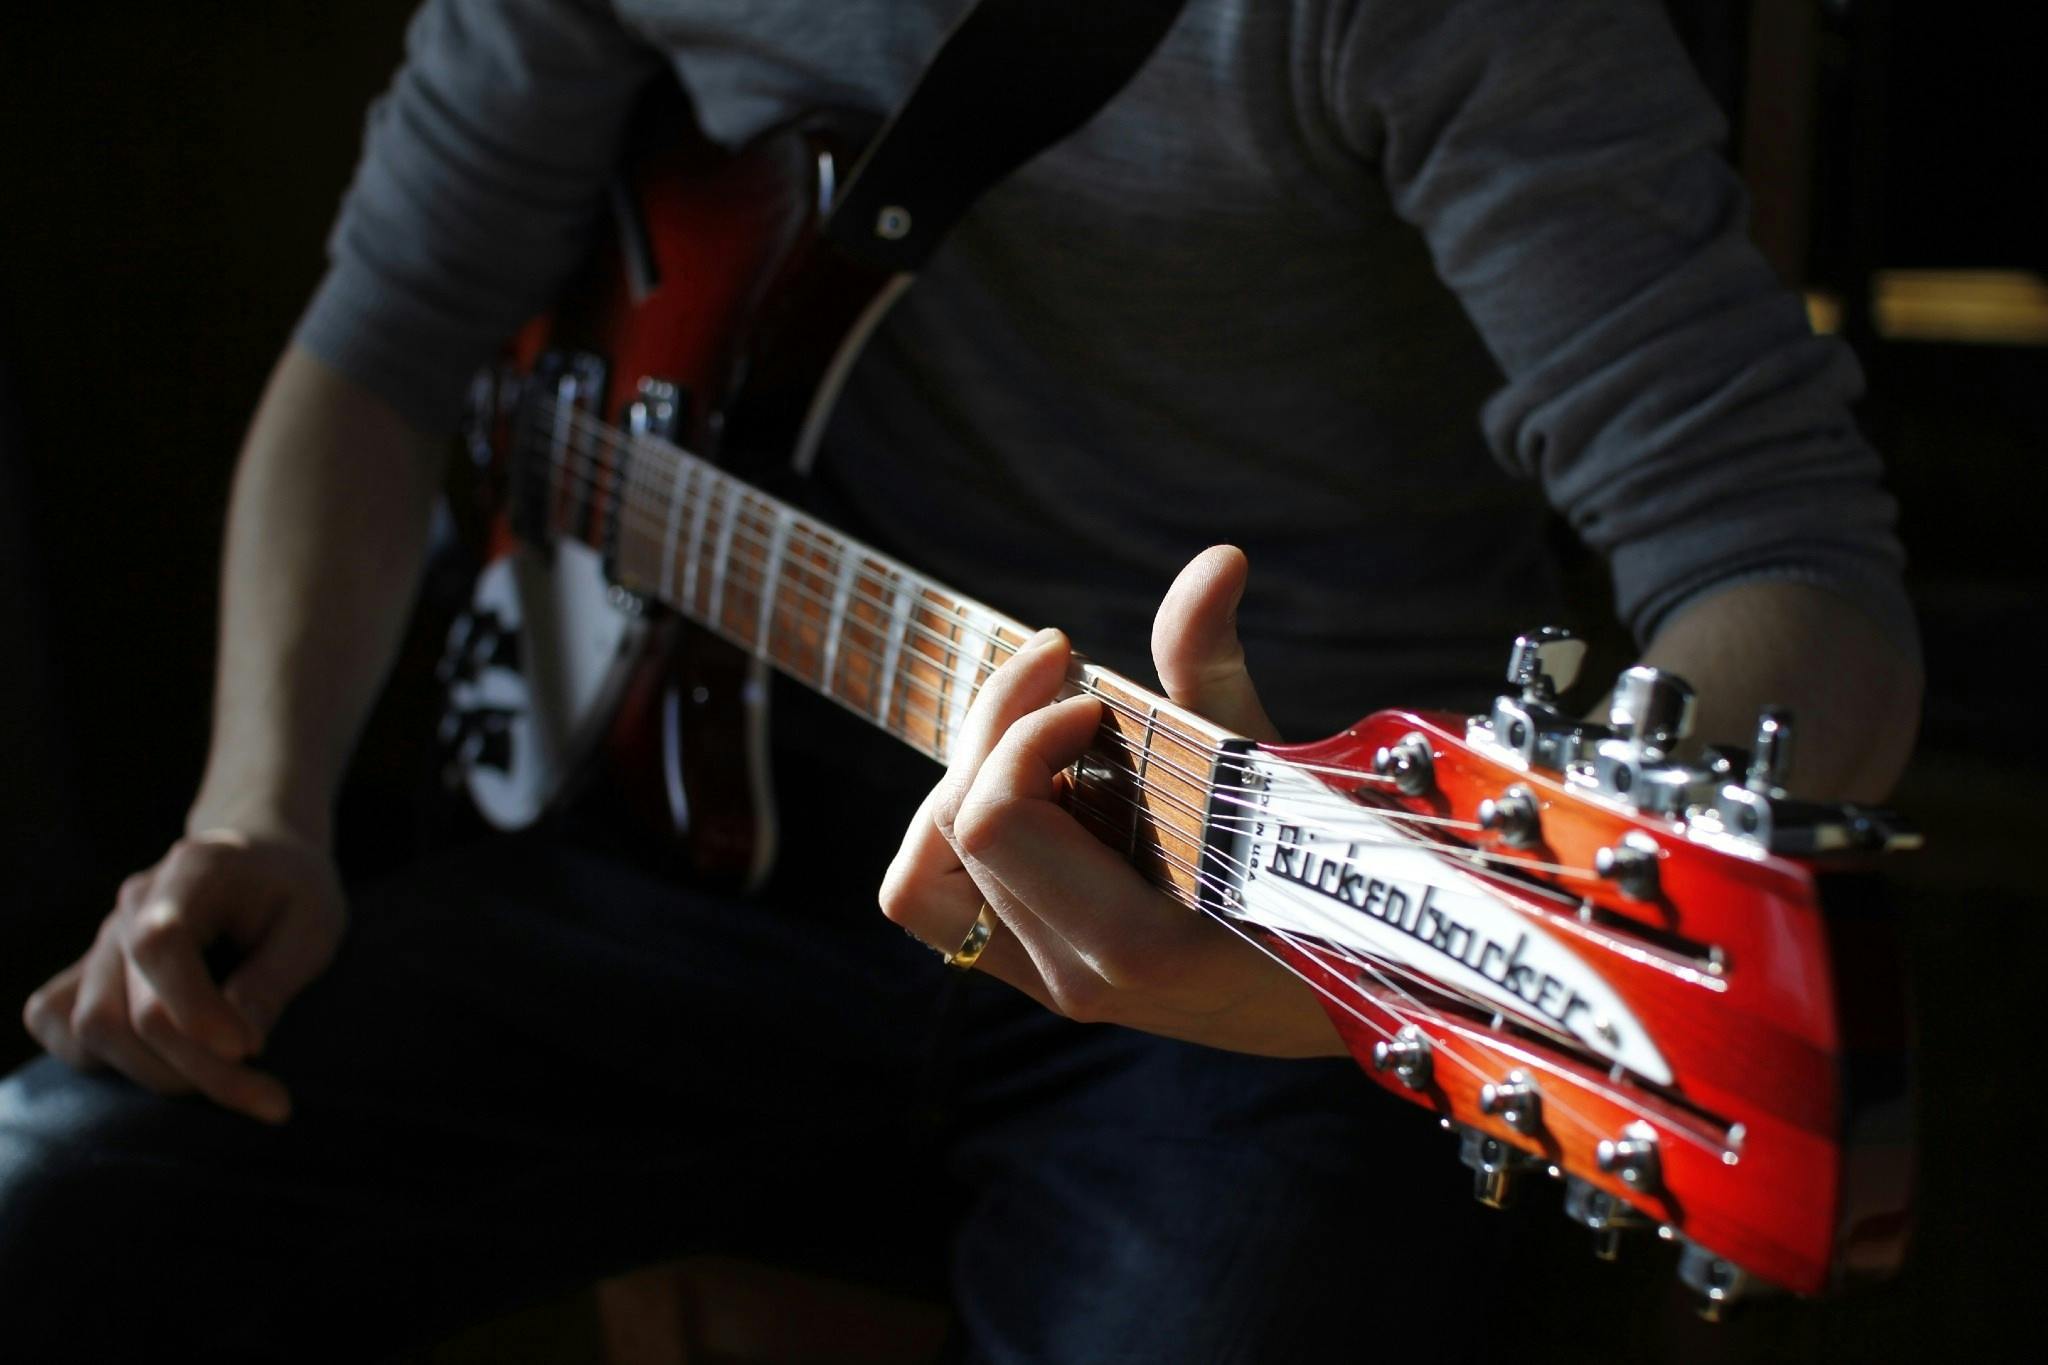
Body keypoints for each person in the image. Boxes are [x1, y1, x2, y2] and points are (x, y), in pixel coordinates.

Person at [0, 0, 1920, 1358]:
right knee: (50, 1205)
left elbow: (1774, 549)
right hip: (678, 858)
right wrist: (259, 804)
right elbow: (390, 346)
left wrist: (1403, 959)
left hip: (1256, 944)